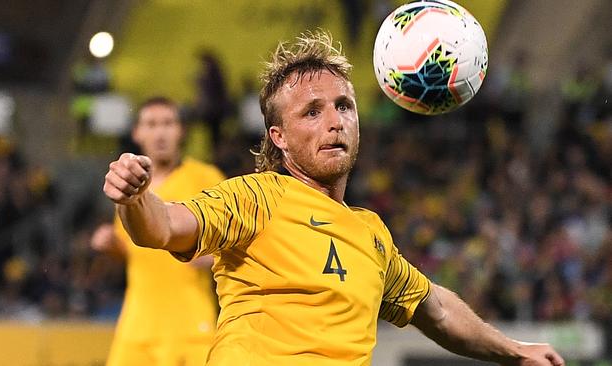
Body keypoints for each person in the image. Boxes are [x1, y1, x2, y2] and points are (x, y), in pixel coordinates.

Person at [102, 32, 565, 366]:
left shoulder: (371, 233)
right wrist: (134, 198)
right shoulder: (255, 197)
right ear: (278, 137)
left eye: (344, 106)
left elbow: (437, 311)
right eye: (312, 111)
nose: (335, 121)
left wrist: (514, 351)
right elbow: (163, 227)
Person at [93, 96, 225, 366]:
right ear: (137, 132)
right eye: (151, 124)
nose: (160, 132)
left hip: (189, 325)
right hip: (137, 325)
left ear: (181, 131)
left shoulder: (205, 177)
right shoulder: (129, 185)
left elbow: (234, 240)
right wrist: (112, 245)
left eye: (168, 123)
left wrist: (212, 256)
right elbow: (133, 253)